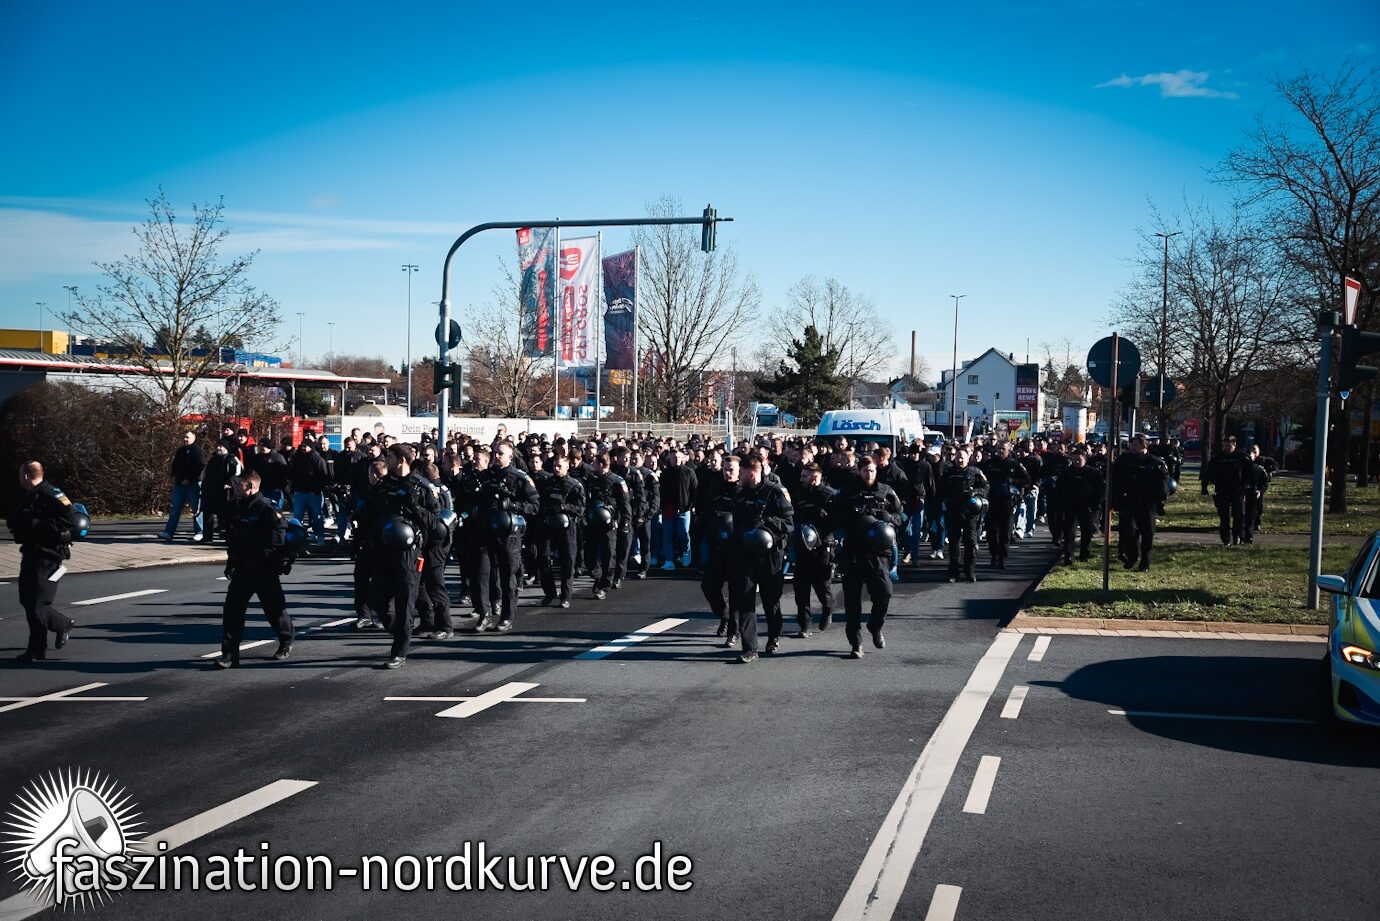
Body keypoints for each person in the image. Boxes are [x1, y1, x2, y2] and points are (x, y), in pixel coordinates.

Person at [366, 446, 440, 666]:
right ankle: (395, 627)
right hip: (382, 549)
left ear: (401, 460)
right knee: (377, 598)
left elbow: (435, 522)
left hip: (409, 552)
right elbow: (371, 513)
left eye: (388, 457)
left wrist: (415, 507)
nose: (384, 460)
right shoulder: (383, 485)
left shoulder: (420, 486)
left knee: (405, 601)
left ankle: (399, 651)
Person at [216, 470, 294, 668]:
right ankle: (229, 654)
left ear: (250, 487)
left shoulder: (267, 508)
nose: (236, 487)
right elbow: (234, 539)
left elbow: (277, 540)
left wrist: (264, 560)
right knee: (232, 611)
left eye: (240, 484)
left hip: (263, 569)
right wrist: (230, 563)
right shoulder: (238, 507)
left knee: (274, 609)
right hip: (243, 568)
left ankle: (286, 639)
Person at [9, 462, 81, 663]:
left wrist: (39, 525)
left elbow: (72, 518)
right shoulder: (27, 495)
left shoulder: (51, 493)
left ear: (25, 476)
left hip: (48, 554)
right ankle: (47, 637)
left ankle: (41, 645)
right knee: (27, 599)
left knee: (37, 603)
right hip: (31, 551)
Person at [833, 456, 903, 658]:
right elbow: (834, 519)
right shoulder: (847, 493)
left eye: (872, 471)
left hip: (878, 553)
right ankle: (856, 643)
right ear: (858, 471)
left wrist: (888, 519)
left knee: (885, 592)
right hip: (853, 553)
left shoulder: (886, 491)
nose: (869, 474)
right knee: (852, 602)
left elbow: (900, 516)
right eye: (865, 471)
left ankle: (875, 626)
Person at [469, 442, 539, 630]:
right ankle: (483, 614)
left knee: (508, 577)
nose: (497, 456)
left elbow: (534, 506)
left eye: (501, 454)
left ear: (510, 457)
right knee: (481, 575)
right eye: (495, 453)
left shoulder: (520, 478)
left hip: (508, 534)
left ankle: (507, 616)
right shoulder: (484, 477)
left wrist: (512, 505)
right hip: (485, 531)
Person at [731, 457, 793, 663]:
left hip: (770, 555)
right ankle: (750, 648)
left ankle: (774, 636)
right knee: (745, 601)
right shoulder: (739, 494)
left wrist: (766, 523)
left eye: (741, 472)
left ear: (751, 473)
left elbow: (789, 523)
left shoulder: (776, 492)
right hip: (744, 554)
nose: (737, 476)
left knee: (771, 601)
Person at [791, 463, 837, 636]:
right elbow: (793, 516)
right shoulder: (799, 493)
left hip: (822, 546)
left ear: (815, 476)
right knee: (800, 588)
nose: (801, 479)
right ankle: (805, 624)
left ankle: (828, 609)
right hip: (803, 546)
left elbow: (837, 520)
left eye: (805, 476)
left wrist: (824, 516)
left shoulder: (829, 495)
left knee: (821, 586)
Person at [1112, 434, 1169, 571]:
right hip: (1130, 501)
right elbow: (1117, 480)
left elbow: (1162, 484)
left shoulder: (1155, 463)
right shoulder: (1125, 461)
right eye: (1132, 445)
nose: (1133, 448)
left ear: (1144, 446)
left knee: (1147, 534)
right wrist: (1116, 499)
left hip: (1148, 503)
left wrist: (1161, 501)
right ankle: (1132, 556)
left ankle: (1145, 563)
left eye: (1136, 445)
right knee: (1128, 531)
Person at [701, 455, 742, 645]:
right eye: (725, 469)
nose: (728, 473)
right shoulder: (715, 490)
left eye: (731, 469)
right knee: (708, 586)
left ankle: (733, 632)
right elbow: (707, 514)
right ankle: (723, 615)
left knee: (736, 593)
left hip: (738, 551)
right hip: (717, 548)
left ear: (739, 470)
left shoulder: (744, 492)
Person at [536, 453, 586, 607]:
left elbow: (581, 508)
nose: (556, 469)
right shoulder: (545, 483)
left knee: (567, 562)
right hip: (547, 525)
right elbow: (537, 503)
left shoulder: (575, 485)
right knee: (543, 558)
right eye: (554, 466)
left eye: (559, 466)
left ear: (567, 466)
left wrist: (564, 507)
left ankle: (566, 596)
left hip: (567, 527)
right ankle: (550, 593)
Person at [583, 453, 631, 601]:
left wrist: (625, 523)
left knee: (608, 555)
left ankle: (604, 585)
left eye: (595, 463)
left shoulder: (617, 482)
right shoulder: (591, 479)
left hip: (610, 525)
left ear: (602, 464)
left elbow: (625, 505)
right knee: (589, 556)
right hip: (593, 523)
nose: (593, 466)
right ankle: (597, 576)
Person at [939, 447, 990, 583]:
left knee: (970, 543)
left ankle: (970, 571)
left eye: (962, 457)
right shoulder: (948, 472)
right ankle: (953, 573)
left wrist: (976, 492)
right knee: (954, 544)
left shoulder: (975, 472)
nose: (960, 460)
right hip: (953, 512)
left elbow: (986, 488)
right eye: (957, 457)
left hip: (970, 513)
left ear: (968, 458)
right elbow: (941, 490)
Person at [981, 440, 1029, 569]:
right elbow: (979, 477)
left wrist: (1013, 481)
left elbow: (1026, 480)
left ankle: (1002, 558)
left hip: (1007, 501)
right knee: (991, 532)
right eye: (999, 449)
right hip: (991, 501)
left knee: (1005, 532)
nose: (1000, 451)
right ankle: (993, 555)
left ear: (1008, 450)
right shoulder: (989, 464)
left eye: (1003, 449)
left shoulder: (1014, 464)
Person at [1054, 447, 1102, 564]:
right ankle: (1068, 556)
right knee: (1069, 532)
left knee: (1087, 531)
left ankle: (1084, 554)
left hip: (1087, 506)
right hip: (1070, 505)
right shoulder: (1067, 472)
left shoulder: (1093, 472)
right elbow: (1059, 488)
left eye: (1078, 459)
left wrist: (1097, 504)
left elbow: (1100, 490)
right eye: (1074, 459)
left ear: (1084, 459)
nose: (1076, 462)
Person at [1202, 436, 1250, 547]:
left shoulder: (1241, 457)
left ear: (1235, 445)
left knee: (1239, 515)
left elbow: (1250, 472)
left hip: (1238, 490)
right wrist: (1204, 486)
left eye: (1231, 445)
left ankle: (1237, 536)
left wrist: (1247, 486)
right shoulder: (1218, 458)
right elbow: (1208, 472)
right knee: (1224, 517)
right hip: (1222, 490)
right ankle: (1226, 539)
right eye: (1226, 445)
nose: (1228, 447)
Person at [161, 430, 205, 541]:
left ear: (194, 438)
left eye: (187, 437)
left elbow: (199, 467)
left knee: (197, 509)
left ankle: (200, 531)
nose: (185, 439)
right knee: (175, 508)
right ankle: (169, 532)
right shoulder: (180, 451)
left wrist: (189, 479)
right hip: (179, 484)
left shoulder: (198, 451)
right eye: (184, 437)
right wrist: (174, 476)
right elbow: (175, 465)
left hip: (193, 484)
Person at [659, 449, 698, 569]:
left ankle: (686, 554)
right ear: (669, 459)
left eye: (678, 457)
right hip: (668, 510)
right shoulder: (664, 474)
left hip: (684, 510)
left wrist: (691, 505)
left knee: (684, 534)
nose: (676, 459)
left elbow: (694, 489)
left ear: (683, 458)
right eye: (674, 457)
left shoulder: (689, 472)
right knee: (668, 536)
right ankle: (669, 561)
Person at [289, 439, 329, 543]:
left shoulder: (318, 459)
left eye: (305, 446)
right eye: (302, 446)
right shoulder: (298, 459)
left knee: (317, 516)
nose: (303, 448)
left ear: (311, 447)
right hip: (300, 492)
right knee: (297, 517)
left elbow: (323, 477)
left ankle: (319, 535)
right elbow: (293, 475)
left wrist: (318, 489)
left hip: (314, 493)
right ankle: (297, 537)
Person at [201, 441, 242, 543]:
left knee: (226, 516)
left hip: (225, 492)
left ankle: (228, 537)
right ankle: (207, 537)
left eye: (221, 446)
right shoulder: (213, 459)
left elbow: (236, 474)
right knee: (208, 514)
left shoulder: (231, 459)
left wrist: (229, 483)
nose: (218, 448)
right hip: (211, 491)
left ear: (226, 448)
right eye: (217, 446)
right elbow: (207, 473)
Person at [1243, 444, 1273, 543]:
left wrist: (1260, 490)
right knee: (1242, 515)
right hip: (1242, 494)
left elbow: (1264, 482)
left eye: (1254, 452)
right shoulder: (1241, 467)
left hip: (1254, 494)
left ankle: (1249, 535)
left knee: (1252, 515)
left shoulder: (1259, 467)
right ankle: (1240, 536)